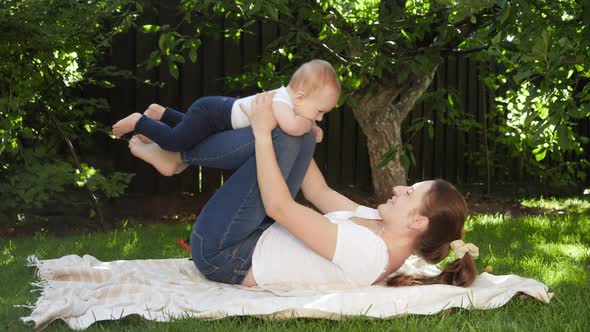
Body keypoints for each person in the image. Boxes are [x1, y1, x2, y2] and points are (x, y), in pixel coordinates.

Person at [126, 92, 479, 288]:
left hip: (224, 254)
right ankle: (176, 143)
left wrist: (265, 132)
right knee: (291, 130)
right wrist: (305, 131)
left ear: (418, 222)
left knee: (276, 133)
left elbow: (281, 206)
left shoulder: (369, 252)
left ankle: (177, 151)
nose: (400, 188)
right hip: (251, 236)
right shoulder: (377, 224)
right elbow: (319, 191)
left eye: (410, 193)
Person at [112, 59, 340, 176]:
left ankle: (160, 113)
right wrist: (309, 125)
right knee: (176, 141)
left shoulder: (291, 102)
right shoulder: (281, 100)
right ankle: (138, 121)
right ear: (300, 97)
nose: (319, 118)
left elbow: (295, 123)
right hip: (212, 113)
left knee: (192, 134)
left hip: (216, 115)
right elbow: (291, 127)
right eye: (319, 111)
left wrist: (309, 124)